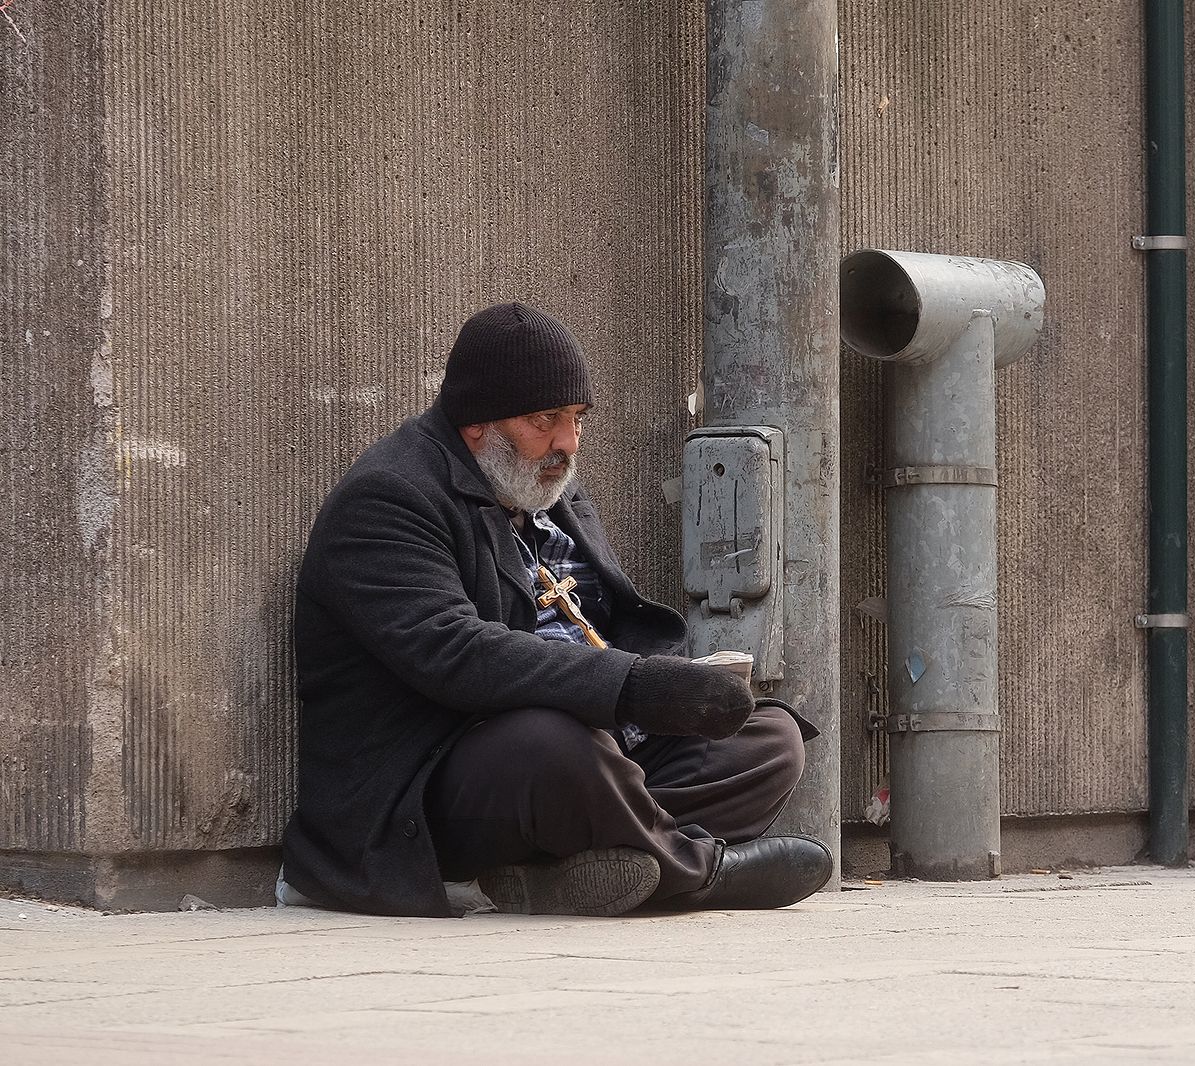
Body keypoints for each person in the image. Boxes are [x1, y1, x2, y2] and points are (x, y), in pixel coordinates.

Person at [281, 302, 832, 917]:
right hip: (431, 781)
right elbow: (459, 656)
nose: (566, 445)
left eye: (575, 419)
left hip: (587, 744)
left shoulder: (543, 483)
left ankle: (575, 865)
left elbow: (607, 620)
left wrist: (680, 681)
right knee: (553, 750)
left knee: (768, 738)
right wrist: (634, 687)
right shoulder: (388, 500)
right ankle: (699, 873)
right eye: (544, 420)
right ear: (475, 424)